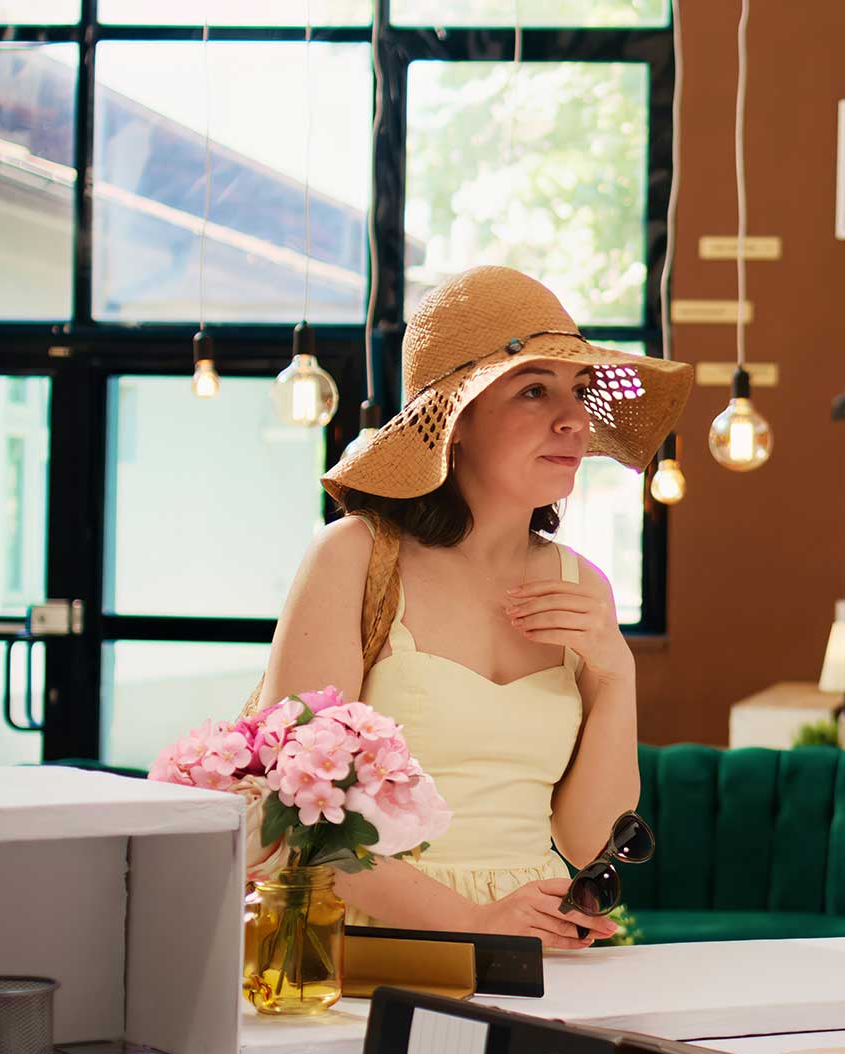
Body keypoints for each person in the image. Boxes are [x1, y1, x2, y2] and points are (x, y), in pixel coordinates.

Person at [263, 265, 692, 950]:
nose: (574, 419)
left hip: (539, 946)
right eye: (533, 390)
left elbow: (587, 840)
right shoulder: (353, 558)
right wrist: (473, 922)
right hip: (378, 943)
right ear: (452, 422)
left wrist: (615, 673)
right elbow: (299, 815)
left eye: (579, 391)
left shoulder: (584, 586)